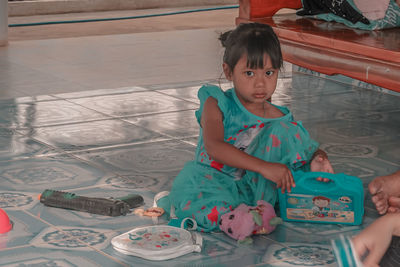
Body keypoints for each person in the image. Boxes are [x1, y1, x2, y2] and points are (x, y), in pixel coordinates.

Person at [163, 23, 333, 232]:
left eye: (269, 73)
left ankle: (252, 212)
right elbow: (214, 147)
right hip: (213, 182)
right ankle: (236, 218)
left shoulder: (278, 118)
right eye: (250, 73)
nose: (261, 84)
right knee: (205, 204)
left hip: (255, 188)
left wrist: (318, 157)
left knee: (286, 132)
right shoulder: (217, 104)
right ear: (228, 71)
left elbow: (306, 148)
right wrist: (263, 167)